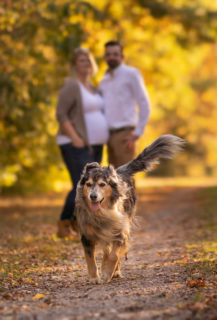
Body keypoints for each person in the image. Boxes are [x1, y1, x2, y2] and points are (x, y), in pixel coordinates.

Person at [55, 48, 109, 238]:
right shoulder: (71, 85)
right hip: (74, 143)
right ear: (74, 65)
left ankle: (79, 223)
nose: (85, 63)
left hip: (95, 144)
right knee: (81, 184)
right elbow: (61, 114)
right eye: (81, 61)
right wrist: (76, 138)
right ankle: (64, 224)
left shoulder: (92, 86)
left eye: (87, 60)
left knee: (91, 185)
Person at [98, 40, 151, 168]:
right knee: (113, 181)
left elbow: (144, 103)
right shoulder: (103, 81)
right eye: (109, 54)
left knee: (125, 179)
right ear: (105, 57)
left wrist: (137, 133)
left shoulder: (131, 74)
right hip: (109, 136)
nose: (112, 57)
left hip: (125, 135)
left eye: (115, 54)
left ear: (122, 57)